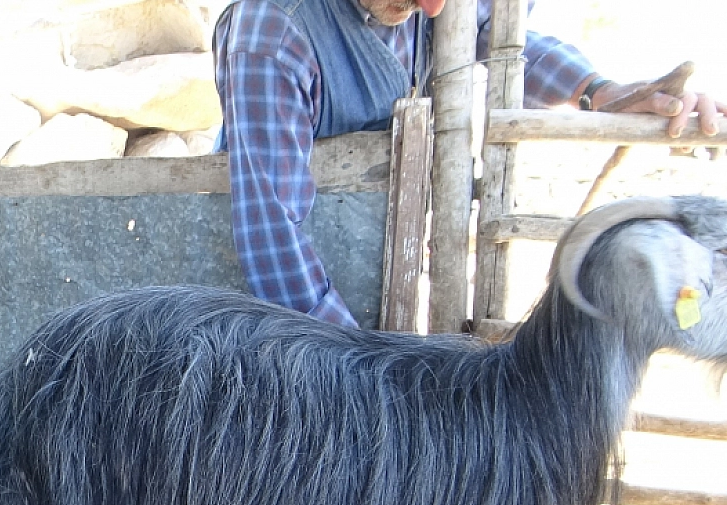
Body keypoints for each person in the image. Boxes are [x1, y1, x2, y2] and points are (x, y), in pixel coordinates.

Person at [214, 0, 722, 327]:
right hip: (276, 316)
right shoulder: (274, 31)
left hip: (368, 283)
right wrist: (357, 361)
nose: (435, 8)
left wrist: (598, 92)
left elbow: (501, 41)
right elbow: (270, 235)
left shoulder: (429, 7)